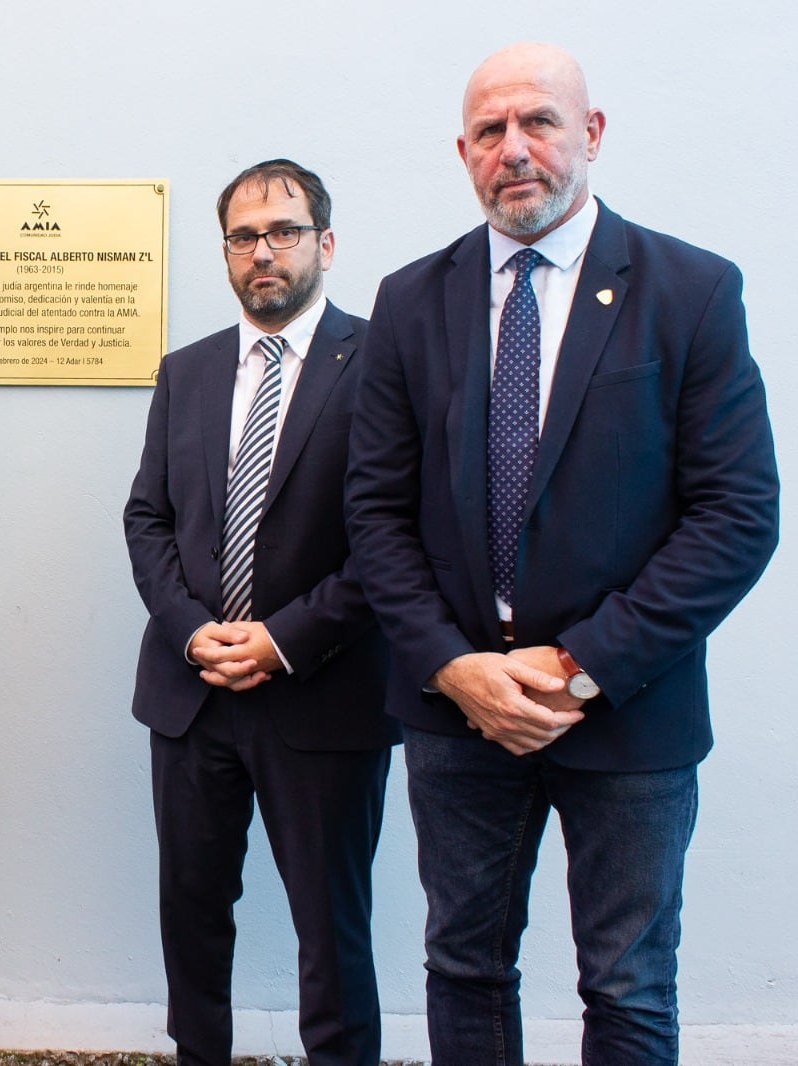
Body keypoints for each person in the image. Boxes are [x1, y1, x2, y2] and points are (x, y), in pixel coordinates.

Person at [344, 43, 779, 1065]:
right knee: (462, 964)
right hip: (457, 712)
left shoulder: (690, 292)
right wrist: (454, 666)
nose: (514, 149)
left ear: (589, 134)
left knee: (626, 981)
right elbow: (372, 513)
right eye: (489, 131)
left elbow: (736, 515)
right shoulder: (411, 301)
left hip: (629, 709)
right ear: (463, 152)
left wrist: (575, 664)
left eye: (537, 121)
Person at [124, 159, 397, 1066]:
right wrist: (191, 627)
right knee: (191, 922)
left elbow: (394, 541)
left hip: (321, 694)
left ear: (325, 242)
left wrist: (282, 641)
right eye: (243, 236)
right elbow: (148, 516)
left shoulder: (383, 362)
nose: (262, 251)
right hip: (192, 691)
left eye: (282, 231)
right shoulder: (187, 371)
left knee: (331, 932)